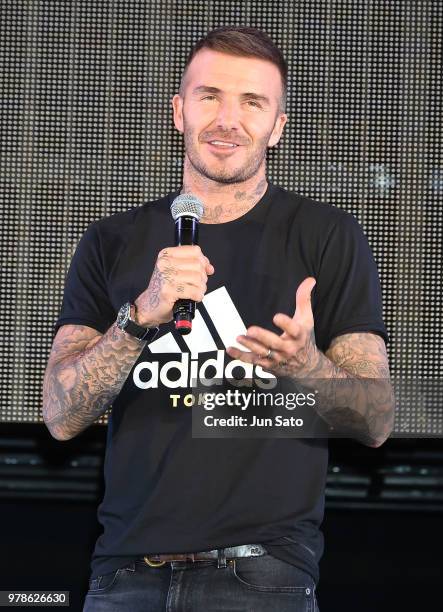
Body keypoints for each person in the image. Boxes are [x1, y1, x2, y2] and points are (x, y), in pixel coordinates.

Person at [43, 26, 394, 612]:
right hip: (124, 576)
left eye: (252, 102)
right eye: (209, 96)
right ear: (178, 111)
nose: (227, 120)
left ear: (277, 127)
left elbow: (377, 417)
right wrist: (137, 318)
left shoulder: (327, 236)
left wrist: (306, 365)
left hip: (262, 576)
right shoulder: (111, 242)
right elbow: (60, 415)